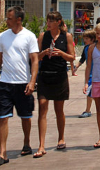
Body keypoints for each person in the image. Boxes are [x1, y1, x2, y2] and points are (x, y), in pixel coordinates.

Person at [0, 6, 39, 167]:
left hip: (23, 83)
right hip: (5, 83)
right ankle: (3, 152)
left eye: (9, 18)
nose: (6, 21)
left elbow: (35, 60)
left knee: (26, 116)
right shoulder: (3, 37)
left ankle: (26, 142)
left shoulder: (29, 36)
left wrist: (32, 81)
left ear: (18, 19)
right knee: (2, 116)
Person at [34, 11, 75, 158]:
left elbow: (72, 57)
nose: (48, 23)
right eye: (47, 21)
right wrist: (44, 53)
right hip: (45, 75)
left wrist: (62, 54)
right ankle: (41, 144)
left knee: (59, 110)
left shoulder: (66, 37)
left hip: (60, 76)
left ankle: (61, 138)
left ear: (58, 22)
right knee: (42, 108)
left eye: (51, 21)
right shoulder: (42, 36)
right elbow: (35, 57)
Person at [74, 29, 96, 118]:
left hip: (97, 73)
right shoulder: (86, 48)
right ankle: (88, 110)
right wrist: (77, 66)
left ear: (92, 39)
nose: (84, 40)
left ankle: (91, 109)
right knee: (89, 92)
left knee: (93, 92)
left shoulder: (96, 47)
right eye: (84, 38)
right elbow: (83, 59)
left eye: (86, 38)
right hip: (89, 73)